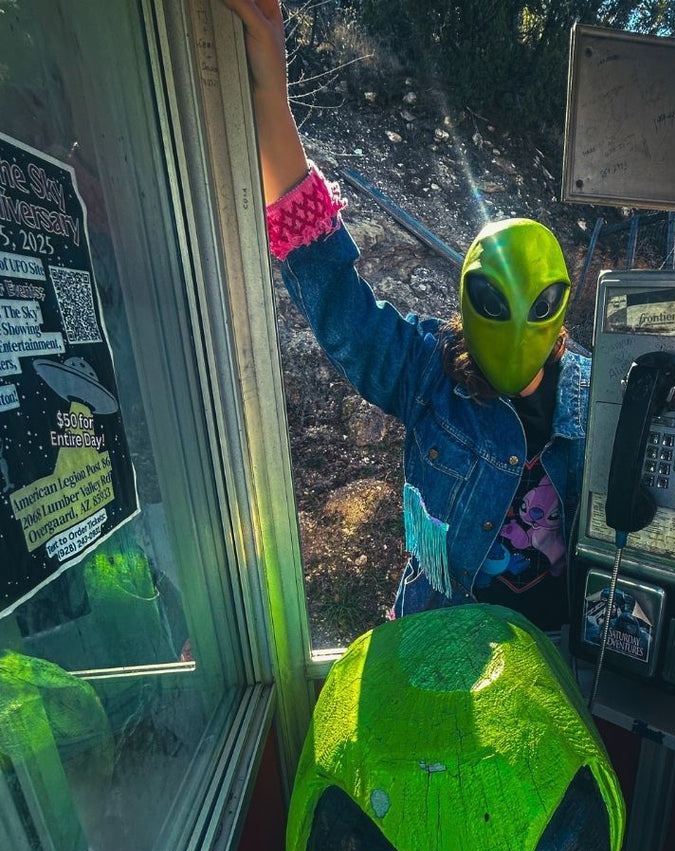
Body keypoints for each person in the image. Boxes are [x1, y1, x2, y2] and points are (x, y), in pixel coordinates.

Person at [222, 0, 590, 634]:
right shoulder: (429, 375)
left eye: (533, 309)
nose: (515, 331)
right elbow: (333, 292)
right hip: (430, 641)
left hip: (546, 667)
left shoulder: (595, 404)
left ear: (559, 313)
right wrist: (271, 94)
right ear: (465, 305)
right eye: (493, 304)